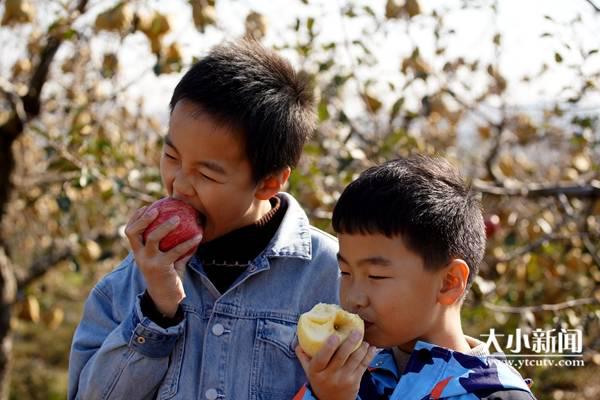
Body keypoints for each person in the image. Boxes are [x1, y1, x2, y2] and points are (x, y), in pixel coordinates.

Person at [68, 39, 340, 400]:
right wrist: (156, 311)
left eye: (207, 175)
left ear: (269, 182)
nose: (178, 184)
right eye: (171, 156)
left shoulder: (333, 279)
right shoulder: (127, 284)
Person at [293, 155, 535, 400]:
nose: (354, 298)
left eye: (376, 276)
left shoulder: (494, 394)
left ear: (449, 281)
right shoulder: (347, 377)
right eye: (345, 273)